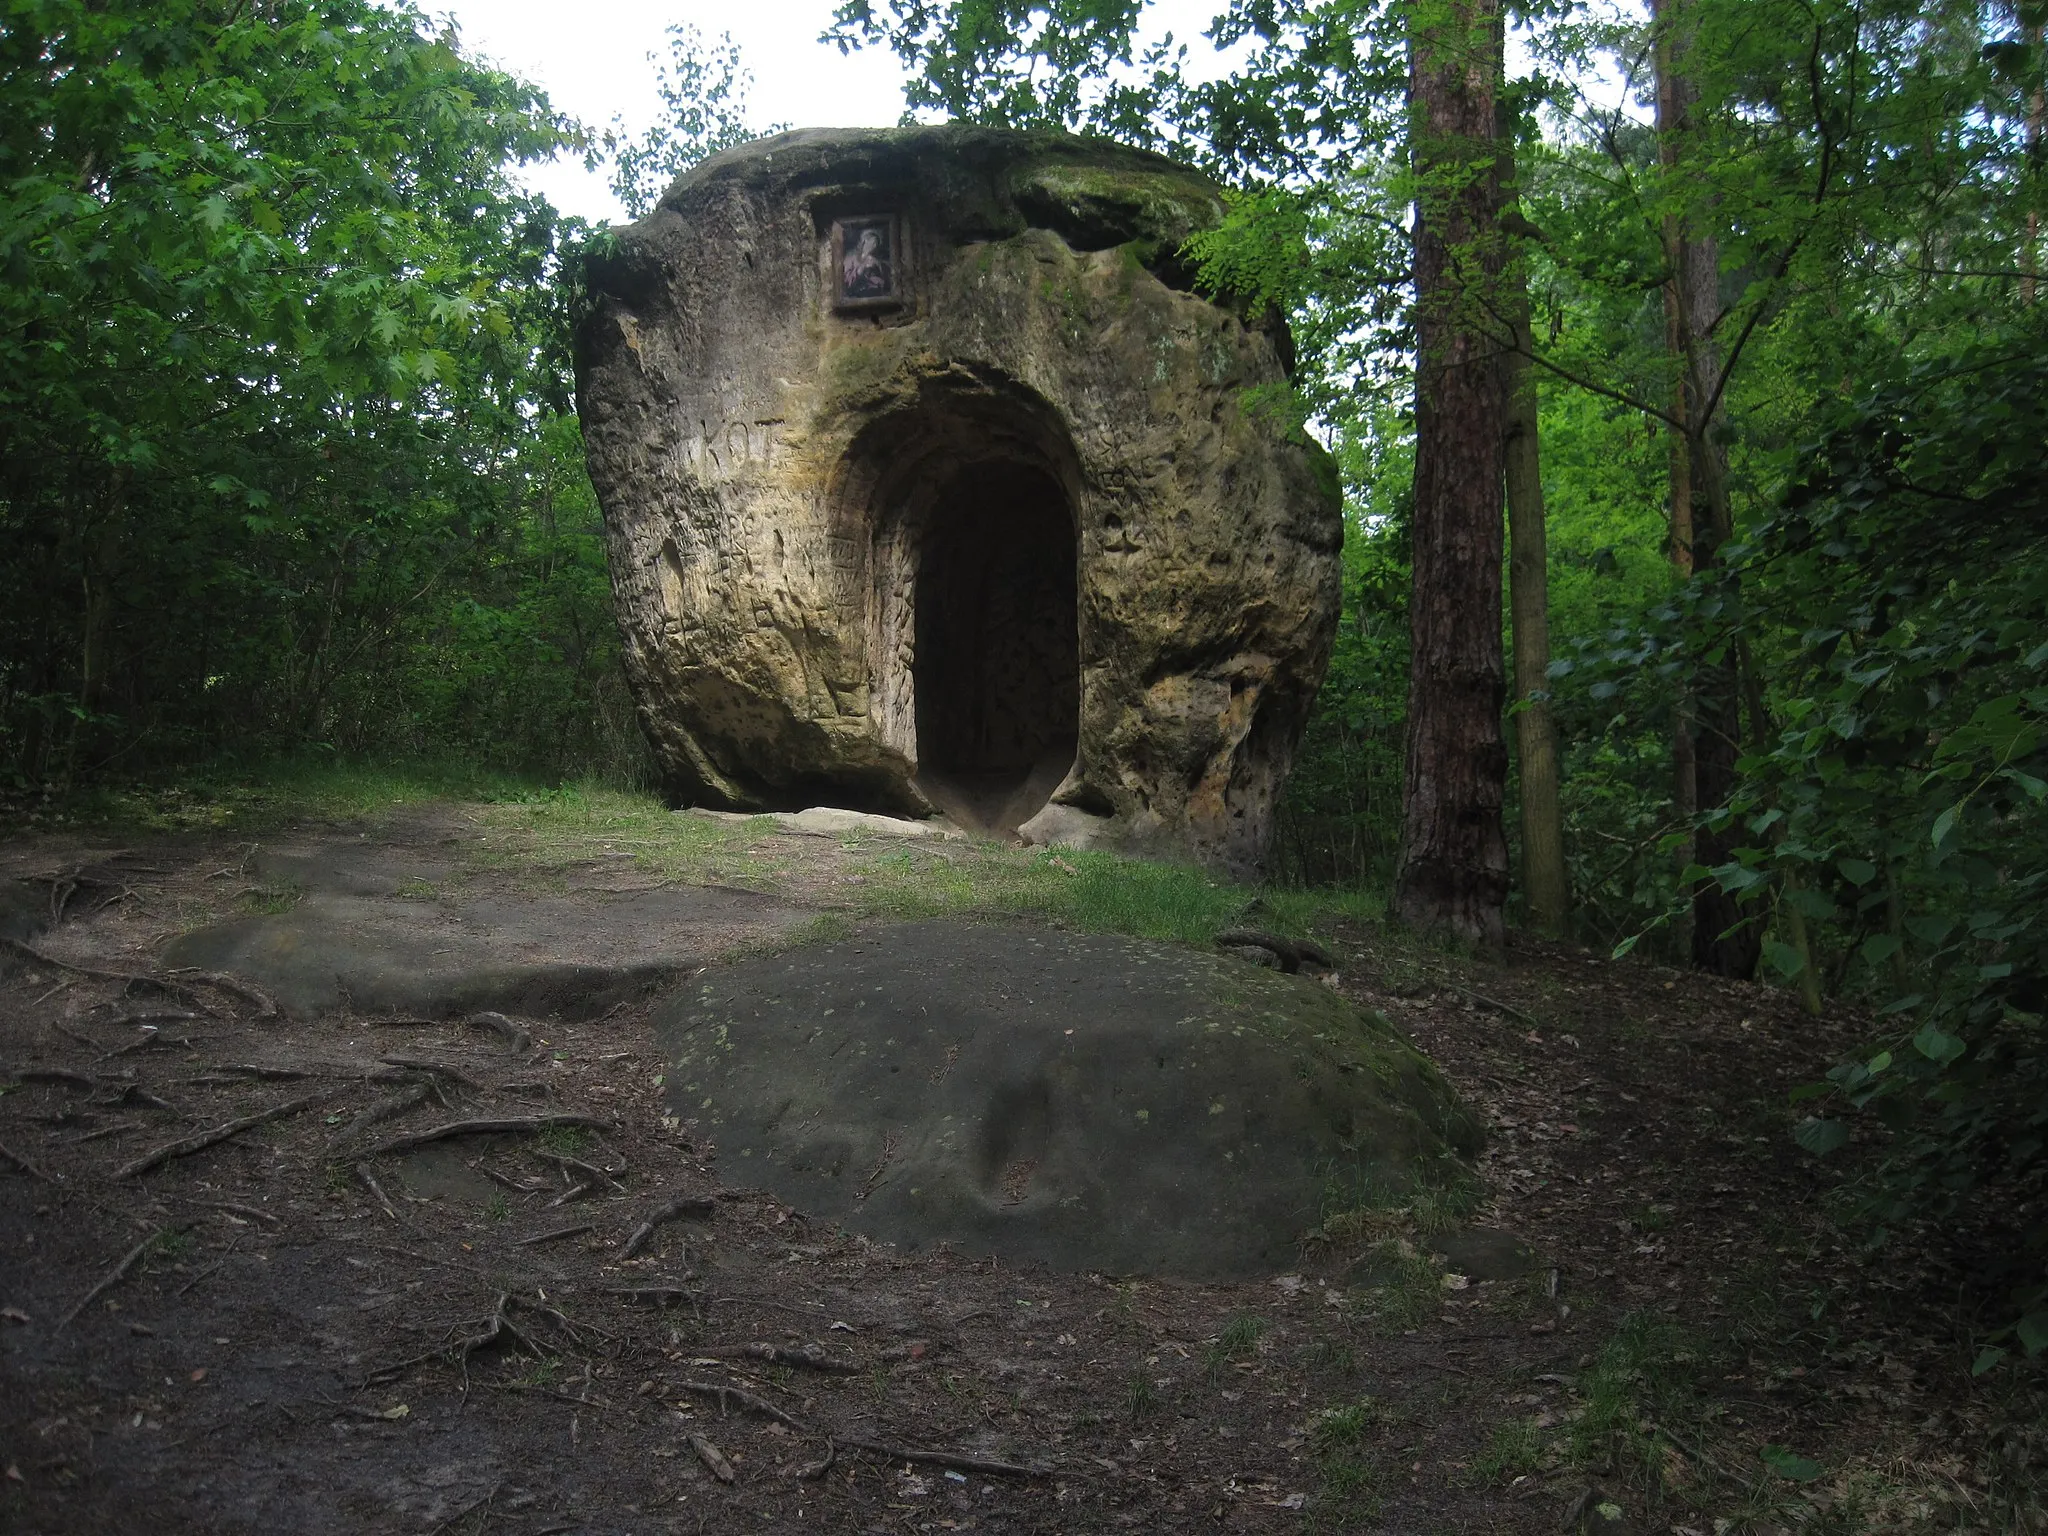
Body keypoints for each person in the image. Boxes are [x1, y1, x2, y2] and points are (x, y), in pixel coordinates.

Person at [842, 225, 890, 298]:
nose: (874, 245)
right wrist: (861, 268)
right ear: (864, 241)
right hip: (855, 296)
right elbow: (845, 282)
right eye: (872, 242)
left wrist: (878, 266)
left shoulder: (880, 262)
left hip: (876, 298)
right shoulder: (851, 259)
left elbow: (886, 283)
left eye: (876, 243)